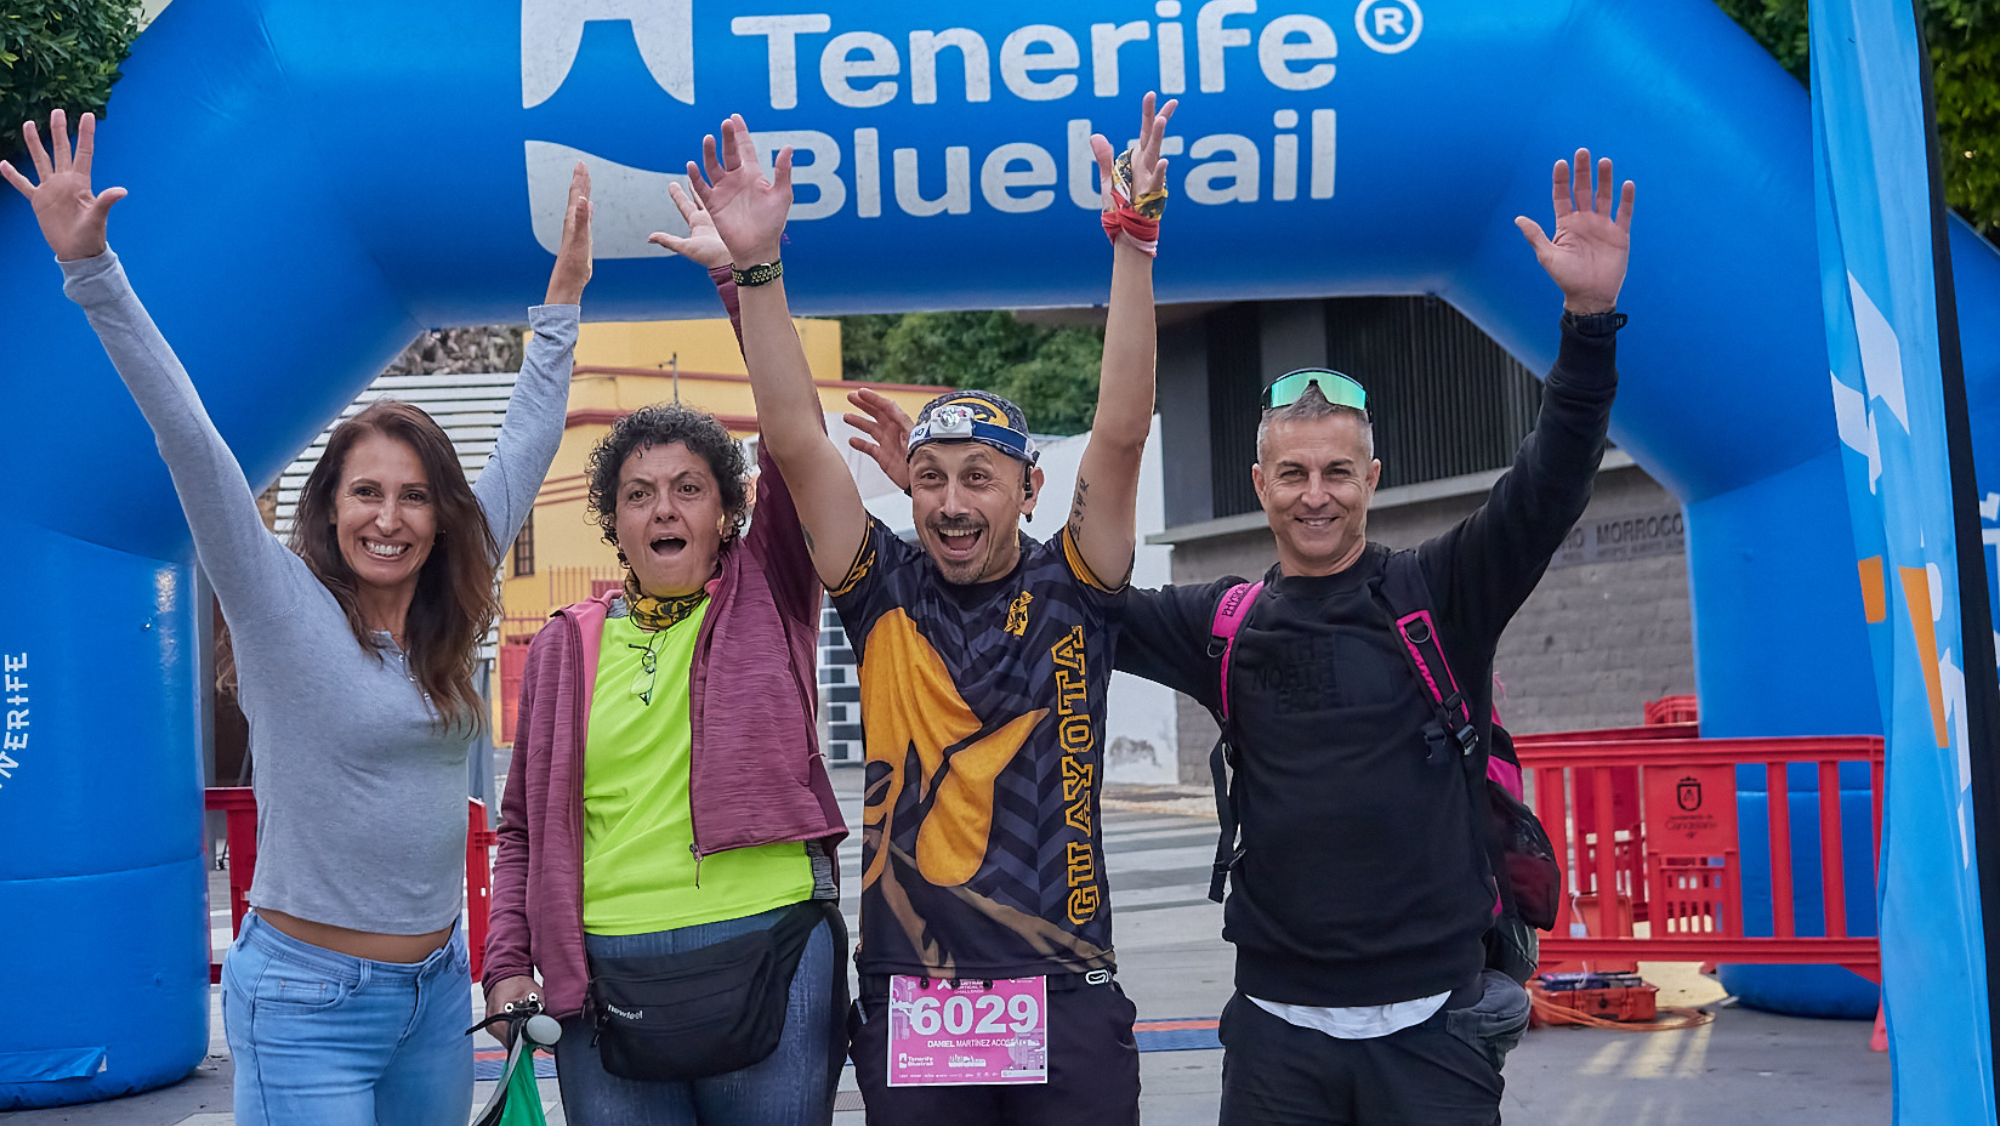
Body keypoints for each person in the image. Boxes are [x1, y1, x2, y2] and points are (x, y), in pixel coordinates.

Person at [3, 111, 593, 1122]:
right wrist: (94, 274)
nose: (390, 518)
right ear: (329, 505)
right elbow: (187, 432)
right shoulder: (279, 605)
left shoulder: (450, 594)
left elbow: (525, 447)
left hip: (433, 990)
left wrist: (563, 306)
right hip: (305, 999)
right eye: (366, 492)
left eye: (412, 496)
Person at [1107, 150, 1637, 1125]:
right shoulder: (1218, 624)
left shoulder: (1441, 590)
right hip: (1273, 1034)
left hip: (1432, 1031)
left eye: (1337, 471)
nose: (1317, 493)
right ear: (1258, 484)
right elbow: (1076, 596)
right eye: (1295, 472)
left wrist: (1588, 325)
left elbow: (1551, 477)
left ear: (1373, 476)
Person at [681, 93, 1172, 1126]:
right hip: (915, 995)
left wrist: (1132, 244)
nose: (952, 500)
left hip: (1066, 990)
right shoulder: (881, 583)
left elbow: (1120, 431)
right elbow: (797, 438)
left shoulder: (1075, 581)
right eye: (933, 477)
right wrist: (758, 274)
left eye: (978, 478)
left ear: (1027, 489)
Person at [481, 184, 847, 1126]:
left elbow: (794, 430)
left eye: (689, 488)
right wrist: (508, 959)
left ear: (725, 512)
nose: (665, 508)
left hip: (771, 946)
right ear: (613, 522)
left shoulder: (770, 586)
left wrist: (741, 279)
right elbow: (520, 830)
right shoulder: (566, 646)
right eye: (639, 493)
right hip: (603, 973)